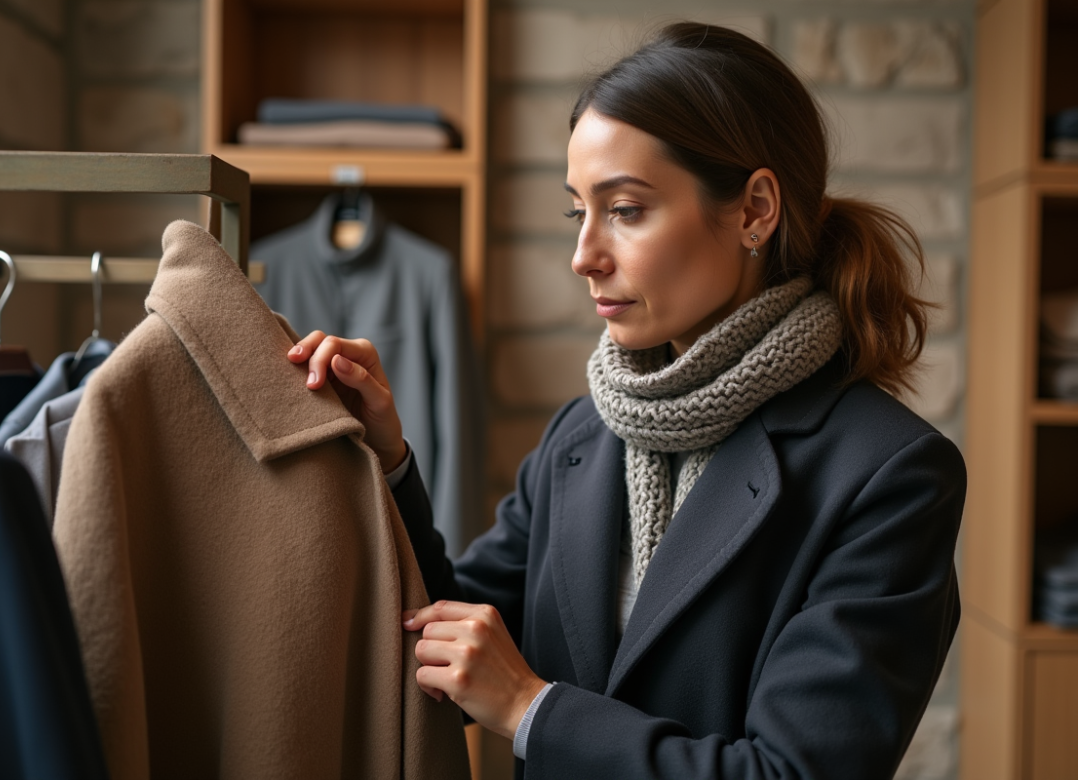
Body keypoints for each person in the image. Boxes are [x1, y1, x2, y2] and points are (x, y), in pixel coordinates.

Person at [288, 21, 965, 780]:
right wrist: (387, 456)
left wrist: (529, 711)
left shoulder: (889, 473)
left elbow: (791, 772)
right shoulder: (582, 433)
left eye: (627, 209)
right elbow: (453, 627)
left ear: (755, 211)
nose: (584, 256)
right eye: (579, 210)